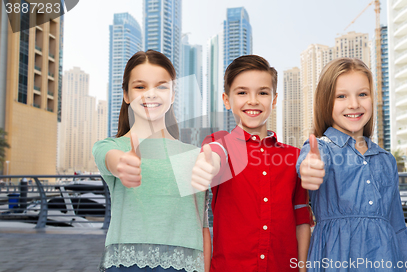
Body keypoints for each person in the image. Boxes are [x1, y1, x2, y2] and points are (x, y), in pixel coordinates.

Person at [191, 55, 313, 272]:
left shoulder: (294, 157)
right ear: (227, 100)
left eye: (263, 93)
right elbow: (214, 155)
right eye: (242, 92)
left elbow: (301, 218)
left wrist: (302, 269)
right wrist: (208, 163)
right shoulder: (220, 145)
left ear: (274, 100)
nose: (253, 100)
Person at [93, 50, 210, 272]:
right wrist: (121, 163)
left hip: (186, 267)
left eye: (161, 86)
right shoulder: (111, 147)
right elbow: (109, 158)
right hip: (125, 266)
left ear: (173, 94)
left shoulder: (195, 155)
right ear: (126, 95)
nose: (151, 94)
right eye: (140, 86)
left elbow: (202, 224)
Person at [297, 58, 407, 271]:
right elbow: (307, 163)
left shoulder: (386, 160)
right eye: (341, 96)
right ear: (326, 102)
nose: (354, 104)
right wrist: (308, 169)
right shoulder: (321, 149)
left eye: (362, 94)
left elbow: (397, 224)